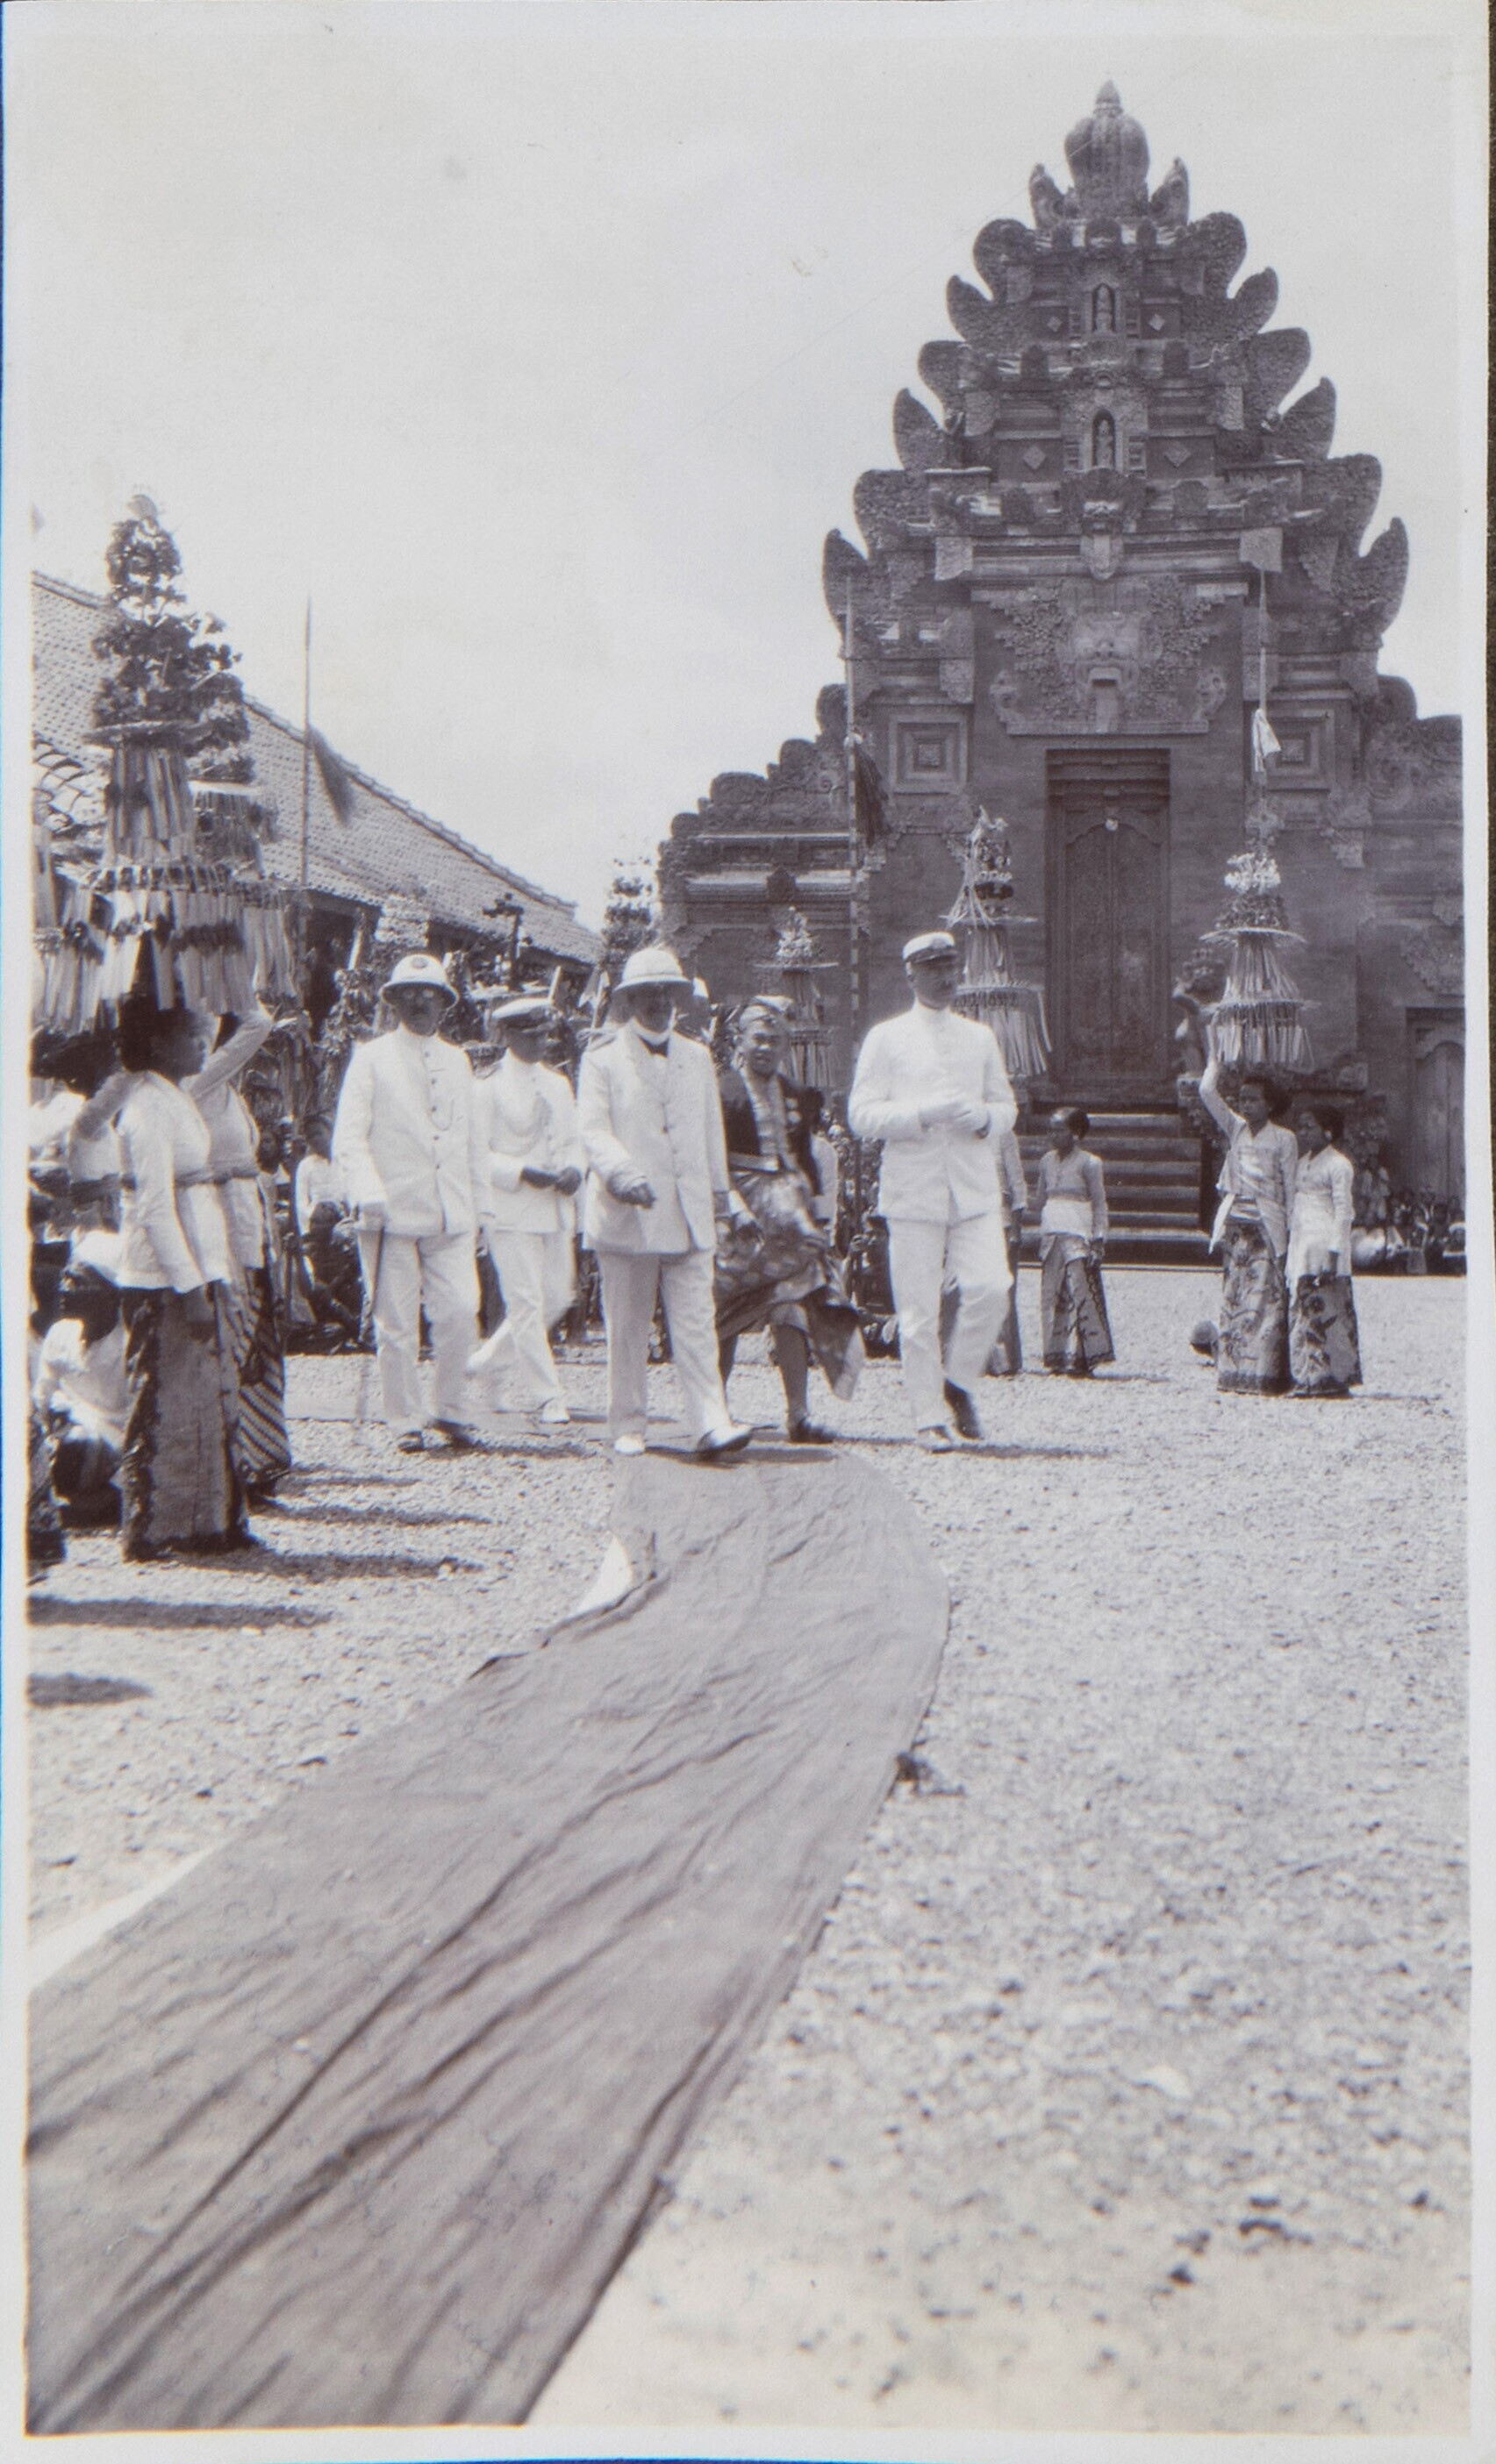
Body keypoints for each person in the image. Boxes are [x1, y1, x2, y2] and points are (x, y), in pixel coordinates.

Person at [576, 945, 753, 1459]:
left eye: (666, 992)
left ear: (678, 998)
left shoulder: (697, 1057)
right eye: (645, 993)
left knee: (697, 1324)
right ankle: (628, 1422)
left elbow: (710, 1135)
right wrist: (621, 1172)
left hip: (689, 1211)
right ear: (628, 1000)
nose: (657, 1001)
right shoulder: (602, 1059)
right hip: (628, 1212)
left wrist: (724, 1198)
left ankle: (710, 1422)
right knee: (628, 1326)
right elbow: (592, 1130)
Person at [848, 930, 1017, 1449]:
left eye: (950, 966)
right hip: (914, 1188)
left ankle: (958, 1382)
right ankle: (927, 1417)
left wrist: (984, 1117)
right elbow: (861, 1114)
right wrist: (920, 1114)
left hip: (972, 1186)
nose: (946, 977)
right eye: (933, 968)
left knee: (993, 1287)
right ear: (911, 974)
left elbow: (1006, 1108)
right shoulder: (887, 1038)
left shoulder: (979, 1037)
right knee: (918, 1311)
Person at [332, 951, 490, 1453]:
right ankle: (404, 1418)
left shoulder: (458, 1060)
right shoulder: (371, 1057)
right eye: (410, 994)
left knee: (461, 1311)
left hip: (451, 1209)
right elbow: (348, 1137)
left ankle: (449, 1408)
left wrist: (482, 1210)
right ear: (394, 1001)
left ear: (445, 1003)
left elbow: (473, 1140)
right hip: (389, 1211)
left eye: (430, 995)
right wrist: (367, 1191)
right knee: (396, 1322)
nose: (421, 1003)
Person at [112, 994, 248, 1560]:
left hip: (200, 1260)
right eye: (190, 1036)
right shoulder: (146, 1107)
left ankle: (208, 1519)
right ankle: (153, 1527)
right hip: (162, 1274)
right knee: (162, 1398)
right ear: (157, 1044)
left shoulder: (178, 1097)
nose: (201, 1045)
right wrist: (188, 1285)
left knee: (206, 1394)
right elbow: (154, 1207)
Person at [714, 997, 863, 1442]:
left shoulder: (796, 1095)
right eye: (758, 1038)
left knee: (792, 1307)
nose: (766, 1047)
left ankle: (799, 1414)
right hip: (736, 1218)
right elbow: (711, 1161)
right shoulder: (720, 1091)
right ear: (739, 1040)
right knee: (724, 1312)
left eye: (775, 1040)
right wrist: (733, 1206)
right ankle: (714, 1413)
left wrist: (818, 1219)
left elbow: (805, 1162)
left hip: (790, 1224)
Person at [186, 1009, 291, 1503]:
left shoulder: (223, 1089)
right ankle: (225, 1469)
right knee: (230, 1336)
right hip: (221, 1220)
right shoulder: (197, 1081)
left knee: (253, 1337)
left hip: (247, 1218)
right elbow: (258, 1022)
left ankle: (256, 1459)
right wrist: (227, 985)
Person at [468, 995, 585, 1425]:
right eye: (530, 1036)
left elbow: (573, 1140)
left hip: (555, 1207)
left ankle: (486, 1362)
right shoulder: (486, 1086)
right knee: (526, 1303)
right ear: (507, 1036)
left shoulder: (557, 1083)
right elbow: (475, 1154)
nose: (540, 1043)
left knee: (559, 1297)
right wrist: (519, 1171)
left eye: (543, 1035)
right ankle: (547, 1396)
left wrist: (575, 1169)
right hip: (511, 1208)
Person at [1198, 1024, 1299, 1395]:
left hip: (1268, 1225)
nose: (1245, 1105)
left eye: (1253, 1100)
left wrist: (1292, 1235)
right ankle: (1233, 1370)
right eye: (1242, 1099)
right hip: (1237, 1225)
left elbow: (1290, 1188)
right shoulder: (1236, 1130)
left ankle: (1266, 1373)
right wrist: (1216, 1055)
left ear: (1269, 1105)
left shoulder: (1284, 1139)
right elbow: (1206, 1092)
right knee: (1236, 1297)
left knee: (1266, 1301)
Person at [32, 1231, 130, 1527]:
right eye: (65, 1278)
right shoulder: (60, 1333)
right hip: (67, 1433)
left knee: (79, 1445)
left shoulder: (129, 1346)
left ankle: (106, 1501)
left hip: (113, 1445)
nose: (64, 1290)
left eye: (77, 1282)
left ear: (111, 1295)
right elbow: (42, 1396)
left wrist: (120, 1486)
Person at [1287, 1103, 1362, 1397]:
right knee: (1303, 1310)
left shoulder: (1339, 1165)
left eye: (1310, 1126)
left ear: (1327, 1131)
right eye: (1301, 1127)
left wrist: (1334, 1253)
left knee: (1329, 1311)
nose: (1303, 1132)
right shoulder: (1302, 1163)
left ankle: (1333, 1378)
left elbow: (1344, 1212)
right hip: (1302, 1241)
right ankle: (1306, 1376)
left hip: (1325, 1242)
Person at [1034, 1108, 1114, 1376]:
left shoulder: (1090, 1163)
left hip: (1078, 1234)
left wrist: (1098, 1239)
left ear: (1076, 1133)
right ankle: (1057, 1355)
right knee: (1053, 1296)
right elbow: (1040, 1198)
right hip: (1052, 1235)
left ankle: (1083, 1357)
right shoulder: (1046, 1161)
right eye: (1050, 1129)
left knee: (1081, 1295)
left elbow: (1099, 1202)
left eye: (1059, 1130)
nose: (1053, 1135)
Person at [987, 1121, 1028, 1375]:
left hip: (1001, 1223)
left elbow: (1018, 1186)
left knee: (1003, 1291)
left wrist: (1015, 1229)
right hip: (971, 1224)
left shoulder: (1003, 1135)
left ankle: (1006, 1359)